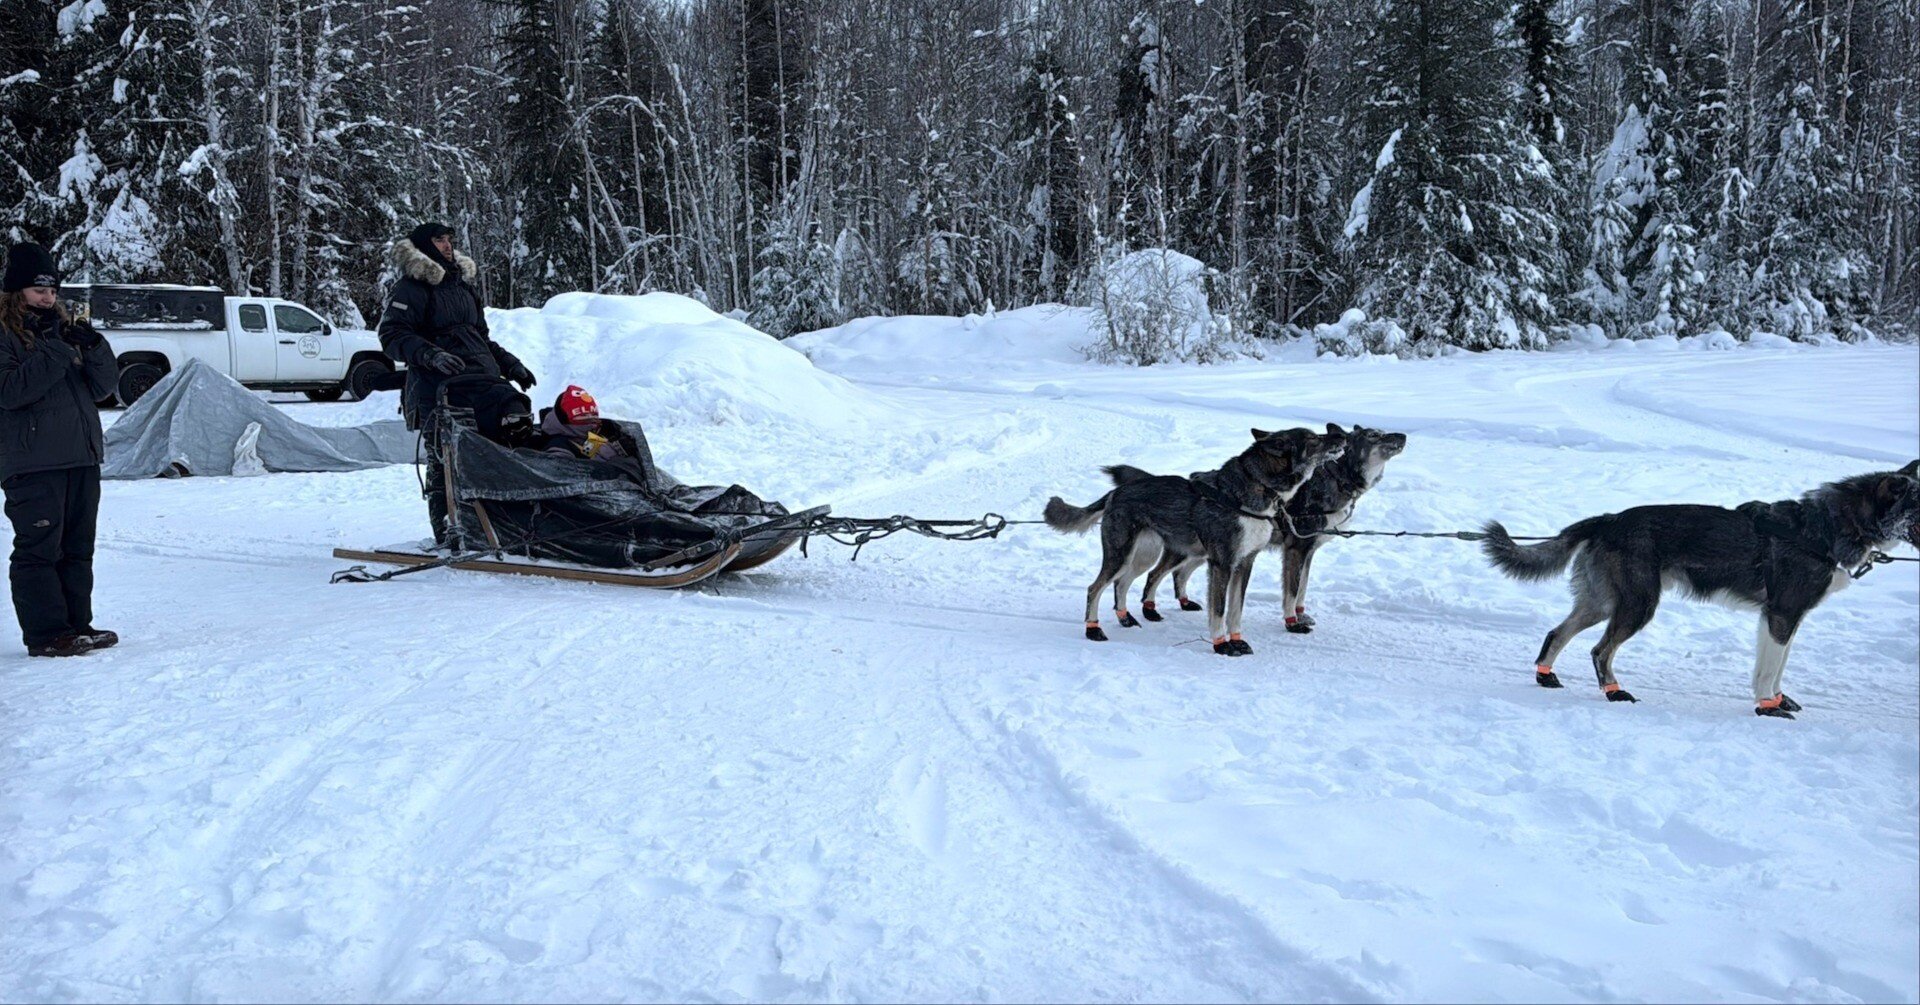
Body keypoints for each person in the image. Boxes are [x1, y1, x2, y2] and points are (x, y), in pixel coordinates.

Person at [376, 222, 537, 542]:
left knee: (495, 453)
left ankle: (495, 527)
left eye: (450, 240)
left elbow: (480, 339)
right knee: (446, 465)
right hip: (437, 392)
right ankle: (451, 532)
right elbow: (392, 335)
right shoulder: (410, 288)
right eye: (440, 240)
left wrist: (511, 364)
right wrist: (429, 354)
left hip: (481, 384)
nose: (447, 245)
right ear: (424, 245)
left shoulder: (463, 287)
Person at [0, 243, 119, 657]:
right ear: (16, 292)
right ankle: (47, 633)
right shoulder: (6, 335)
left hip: (81, 456)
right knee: (39, 549)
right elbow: (11, 392)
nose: (48, 298)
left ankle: (76, 626)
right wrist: (55, 348)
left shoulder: (61, 333)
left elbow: (103, 388)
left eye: (52, 290)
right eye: (38, 290)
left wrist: (94, 345)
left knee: (77, 547)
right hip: (33, 463)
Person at [536, 385, 645, 464]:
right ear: (565, 420)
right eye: (584, 418)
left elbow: (588, 451)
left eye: (593, 417)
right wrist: (612, 451)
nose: (592, 424)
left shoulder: (579, 436)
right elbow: (571, 477)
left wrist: (614, 442)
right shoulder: (557, 447)